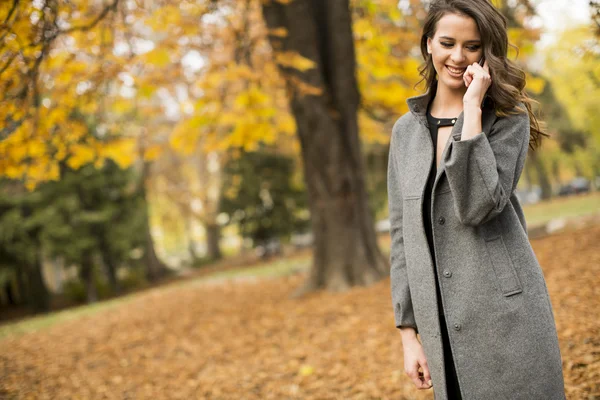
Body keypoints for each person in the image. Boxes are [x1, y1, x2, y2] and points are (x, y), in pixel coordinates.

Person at [386, 0, 566, 398]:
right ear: (428, 44)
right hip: (440, 326)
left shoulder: (507, 119)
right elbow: (402, 234)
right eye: (447, 42)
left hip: (506, 318)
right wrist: (408, 333)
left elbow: (478, 206)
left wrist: (471, 111)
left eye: (472, 46)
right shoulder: (405, 133)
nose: (457, 56)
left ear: (486, 53)